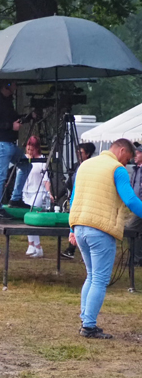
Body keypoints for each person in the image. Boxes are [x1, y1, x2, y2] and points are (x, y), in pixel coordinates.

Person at [68, 139, 142, 338]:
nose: (126, 163)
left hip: (80, 225)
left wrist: (72, 228)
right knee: (100, 279)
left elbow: (74, 198)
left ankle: (85, 318)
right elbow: (130, 200)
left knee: (91, 276)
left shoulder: (85, 165)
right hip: (100, 229)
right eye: (127, 159)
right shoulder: (117, 169)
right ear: (121, 150)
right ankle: (89, 326)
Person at [0, 81, 32, 218]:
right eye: (14, 85)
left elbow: (14, 118)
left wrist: (29, 117)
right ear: (7, 86)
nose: (16, 87)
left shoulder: (7, 100)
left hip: (8, 143)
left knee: (26, 165)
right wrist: (11, 126)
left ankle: (15, 198)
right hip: (1, 143)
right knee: (0, 176)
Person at [61, 142, 99, 260]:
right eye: (77, 152)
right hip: (76, 197)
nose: (78, 154)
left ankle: (76, 249)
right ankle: (71, 248)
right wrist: (58, 195)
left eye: (81, 152)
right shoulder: (76, 166)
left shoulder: (91, 167)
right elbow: (69, 183)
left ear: (87, 154)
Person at [22, 136, 52, 258]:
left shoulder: (42, 161)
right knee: (27, 217)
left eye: (32, 149)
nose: (30, 152)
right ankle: (32, 245)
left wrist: (49, 193)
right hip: (26, 192)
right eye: (28, 149)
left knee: (32, 215)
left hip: (38, 191)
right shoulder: (24, 158)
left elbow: (46, 179)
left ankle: (37, 246)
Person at [125, 145, 142, 267]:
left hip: (140, 207)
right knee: (138, 232)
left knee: (130, 229)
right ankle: (137, 258)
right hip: (137, 206)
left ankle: (136, 259)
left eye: (138, 153)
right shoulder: (137, 169)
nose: (134, 156)